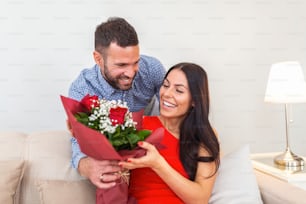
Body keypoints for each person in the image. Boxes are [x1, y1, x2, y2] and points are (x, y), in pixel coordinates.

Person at [68, 17, 166, 189]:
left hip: (152, 152)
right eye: (121, 65)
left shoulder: (152, 69)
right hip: (115, 161)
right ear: (98, 59)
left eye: (135, 62)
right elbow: (78, 139)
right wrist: (85, 165)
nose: (131, 72)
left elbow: (175, 108)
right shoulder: (81, 90)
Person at [119, 62, 220, 204]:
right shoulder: (137, 124)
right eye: (165, 85)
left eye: (179, 90)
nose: (166, 94)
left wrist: (158, 164)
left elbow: (200, 199)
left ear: (194, 101)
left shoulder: (205, 135)